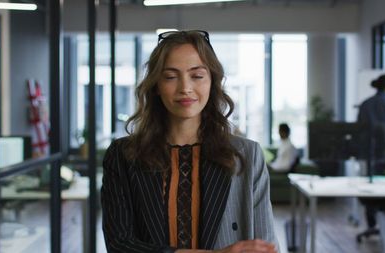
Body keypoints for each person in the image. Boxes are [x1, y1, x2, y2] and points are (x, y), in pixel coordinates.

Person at [101, 30, 278, 253]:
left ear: (212, 81)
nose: (185, 88)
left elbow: (265, 246)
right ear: (156, 85)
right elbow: (120, 245)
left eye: (197, 76)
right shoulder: (123, 154)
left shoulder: (247, 155)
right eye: (171, 77)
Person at [356, 73, 385, 242]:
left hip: (367, 155)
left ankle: (371, 225)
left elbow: (358, 130)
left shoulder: (365, 105)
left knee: (369, 190)